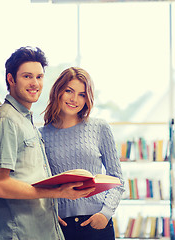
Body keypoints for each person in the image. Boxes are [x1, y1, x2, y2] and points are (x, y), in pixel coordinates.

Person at [0, 47, 95, 240]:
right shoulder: (6, 120)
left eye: (39, 77)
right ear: (11, 79)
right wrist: (58, 192)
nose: (35, 83)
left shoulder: (26, 121)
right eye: (27, 76)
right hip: (20, 233)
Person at [40, 67, 125, 240]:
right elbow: (39, 183)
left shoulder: (99, 127)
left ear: (88, 98)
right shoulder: (41, 135)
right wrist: (48, 213)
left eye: (82, 94)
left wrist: (105, 214)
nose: (74, 99)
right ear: (58, 92)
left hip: (97, 224)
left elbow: (117, 179)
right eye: (69, 91)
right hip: (58, 226)